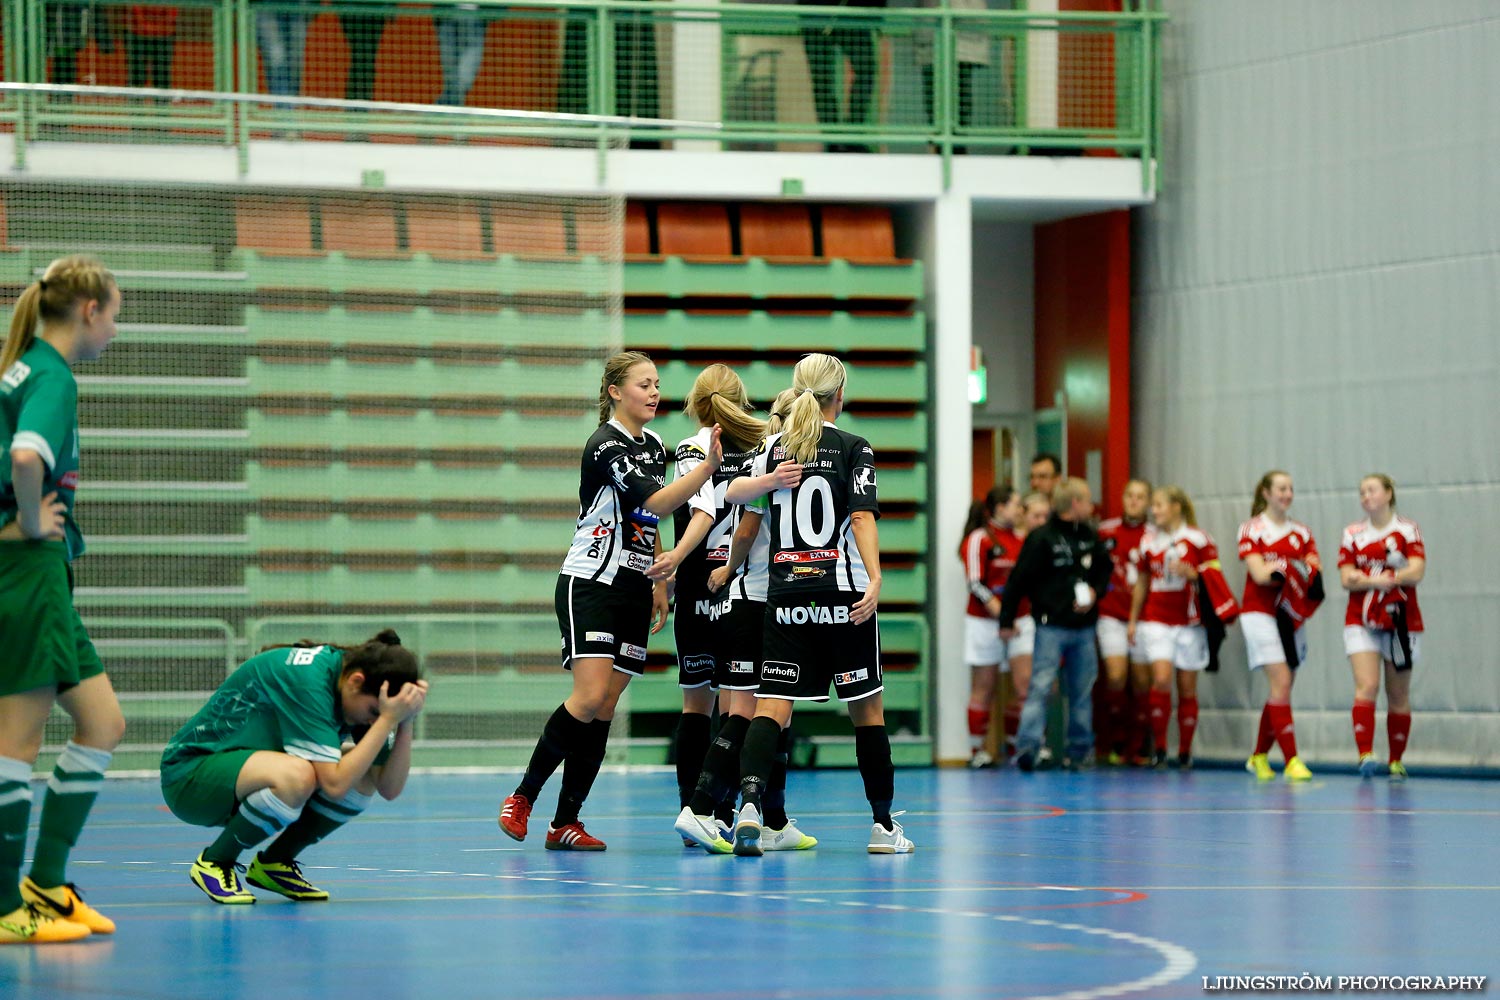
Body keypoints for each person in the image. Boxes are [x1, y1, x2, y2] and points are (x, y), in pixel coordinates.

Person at [499, 352, 722, 851]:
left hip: (633, 587)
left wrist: (660, 581)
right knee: (589, 696)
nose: (654, 391)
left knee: (606, 706)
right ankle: (522, 797)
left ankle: (565, 822)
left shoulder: (655, 445)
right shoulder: (605, 444)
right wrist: (709, 468)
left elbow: (649, 523)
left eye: (658, 383)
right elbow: (659, 501)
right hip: (591, 581)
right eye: (644, 384)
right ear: (617, 391)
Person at [725, 354, 913, 855]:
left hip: (786, 595)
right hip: (844, 596)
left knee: (771, 708)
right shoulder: (855, 447)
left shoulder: (771, 450)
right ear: (840, 396)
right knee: (866, 713)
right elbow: (861, 519)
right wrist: (875, 577)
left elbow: (738, 500)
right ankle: (882, 827)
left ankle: (748, 808)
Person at [0, 257, 126, 945]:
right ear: (88, 312)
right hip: (28, 566)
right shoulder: (51, 374)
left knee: (102, 723)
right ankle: (3, 911)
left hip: (36, 570)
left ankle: (44, 885)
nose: (114, 328)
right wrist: (26, 518)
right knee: (15, 743)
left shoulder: (17, 367)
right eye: (115, 314)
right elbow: (26, 457)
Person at [160, 632, 426, 904]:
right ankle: (215, 862)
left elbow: (389, 788)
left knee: (362, 770)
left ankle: (275, 863)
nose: (375, 721)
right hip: (190, 776)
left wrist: (405, 721)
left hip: (246, 770)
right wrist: (387, 720)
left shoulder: (350, 685)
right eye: (374, 713)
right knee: (297, 776)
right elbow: (334, 785)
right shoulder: (310, 682)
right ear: (356, 682)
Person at [676, 388, 816, 854]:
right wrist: (730, 566)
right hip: (760, 601)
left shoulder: (773, 460)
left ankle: (770, 817)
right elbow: (743, 517)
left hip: (764, 600)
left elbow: (735, 498)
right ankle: (700, 809)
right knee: (749, 716)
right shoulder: (773, 462)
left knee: (769, 717)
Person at [659, 365, 768, 837]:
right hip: (742, 587)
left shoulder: (691, 446)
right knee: (742, 706)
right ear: (739, 400)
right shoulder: (760, 445)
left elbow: (690, 511)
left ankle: (693, 808)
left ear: (695, 402)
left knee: (696, 707)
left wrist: (674, 563)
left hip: (698, 584)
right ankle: (728, 810)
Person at [999, 478, 1112, 772]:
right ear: (1075, 503)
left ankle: (1080, 750)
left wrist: (1095, 593)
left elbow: (1104, 569)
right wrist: (1006, 619)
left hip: (1084, 627)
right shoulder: (1041, 538)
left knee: (1082, 690)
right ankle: (1028, 747)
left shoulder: (1090, 536)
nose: (1091, 506)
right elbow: (1018, 581)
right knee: (1040, 686)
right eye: (1087, 500)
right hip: (1051, 626)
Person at [1338, 474, 1425, 781]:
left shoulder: (1406, 529)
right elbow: (1346, 576)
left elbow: (1416, 570)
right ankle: (1365, 754)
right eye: (1361, 492)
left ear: (1388, 494)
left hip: (1401, 620)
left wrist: (1392, 573)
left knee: (1397, 692)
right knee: (1368, 685)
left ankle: (1396, 760)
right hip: (1361, 620)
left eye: (1372, 490)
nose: (1366, 496)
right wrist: (1375, 579)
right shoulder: (1353, 533)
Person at [1127, 486, 1219, 769]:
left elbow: (1215, 575)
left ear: (1176, 507)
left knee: (1187, 688)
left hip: (1189, 622)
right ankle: (1161, 748)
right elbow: (1142, 581)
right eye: (1153, 506)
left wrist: (1194, 574)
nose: (1154, 511)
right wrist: (1133, 619)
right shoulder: (1149, 541)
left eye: (1159, 505)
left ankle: (1185, 751)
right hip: (1156, 619)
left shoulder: (1198, 539)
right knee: (1162, 679)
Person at [1238, 470, 1320, 782]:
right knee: (1281, 681)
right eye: (1281, 488)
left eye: (1290, 488)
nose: (1287, 494)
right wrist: (1290, 566)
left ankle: (1258, 756)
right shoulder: (1251, 529)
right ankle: (1292, 760)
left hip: (1290, 614)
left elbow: (1315, 571)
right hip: (1259, 612)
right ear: (1267, 493)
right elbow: (1260, 575)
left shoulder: (1301, 532)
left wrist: (1285, 567)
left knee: (1281, 689)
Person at [958, 484, 1026, 768]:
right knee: (984, 685)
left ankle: (1013, 746)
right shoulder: (979, 538)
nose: (1020, 510)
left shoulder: (1019, 539)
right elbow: (975, 582)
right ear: (1000, 508)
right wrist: (1000, 612)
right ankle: (977, 751)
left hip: (1018, 623)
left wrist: (1012, 616)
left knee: (1020, 686)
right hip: (984, 622)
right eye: (1016, 505)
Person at [1096, 478, 1151, 765]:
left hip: (1144, 618)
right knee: (1116, 676)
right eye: (1129, 495)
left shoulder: (1154, 535)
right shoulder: (1105, 531)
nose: (1134, 501)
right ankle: (1116, 741)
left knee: (1143, 681)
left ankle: (1139, 746)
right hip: (1110, 615)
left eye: (1140, 497)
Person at [799, 0, 887, 152]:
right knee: (822, 80)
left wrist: (877, 15)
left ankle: (853, 134)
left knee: (865, 71)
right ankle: (832, 138)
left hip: (855, 16)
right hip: (816, 17)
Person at [255, 0, 313, 97]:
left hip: (298, 6)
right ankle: (282, 106)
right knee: (275, 56)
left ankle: (288, 104)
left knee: (295, 58)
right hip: (265, 5)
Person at [437, 5, 488, 106]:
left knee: (466, 71)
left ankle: (445, 107)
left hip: (475, 17)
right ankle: (448, 108)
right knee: (450, 68)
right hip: (447, 14)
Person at [126, 5, 177, 94]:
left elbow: (171, 15)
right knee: (137, 73)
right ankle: (135, 102)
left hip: (164, 36)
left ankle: (162, 103)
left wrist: (158, 28)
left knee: (162, 74)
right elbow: (136, 10)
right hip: (139, 35)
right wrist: (145, 26)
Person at [341, 12, 388, 103]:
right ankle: (354, 106)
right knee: (360, 58)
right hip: (350, 13)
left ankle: (361, 105)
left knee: (367, 59)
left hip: (376, 14)